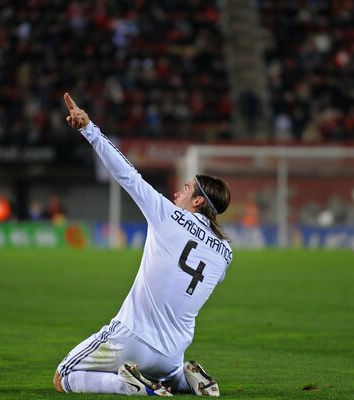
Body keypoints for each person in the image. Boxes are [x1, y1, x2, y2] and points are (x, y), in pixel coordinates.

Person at [53, 93, 233, 396]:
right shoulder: (225, 252)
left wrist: (89, 128)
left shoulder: (169, 215)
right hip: (173, 354)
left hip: (131, 338)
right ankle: (183, 381)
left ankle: (127, 385)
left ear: (198, 201)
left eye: (186, 189)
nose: (178, 192)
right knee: (169, 372)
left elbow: (127, 174)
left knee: (63, 376)